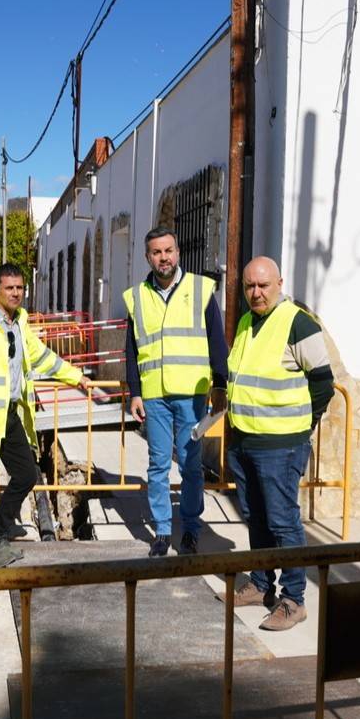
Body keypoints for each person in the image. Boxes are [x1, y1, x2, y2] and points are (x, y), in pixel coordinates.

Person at [220, 256, 335, 631]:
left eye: (263, 285)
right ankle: (260, 584)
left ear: (280, 284)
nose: (256, 292)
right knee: (256, 517)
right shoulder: (246, 322)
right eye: (249, 286)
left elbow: (323, 383)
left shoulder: (297, 323)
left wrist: (302, 426)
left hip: (281, 444)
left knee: (283, 522)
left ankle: (293, 600)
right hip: (245, 440)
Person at [0, 263, 90, 567]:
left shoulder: (20, 323)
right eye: (9, 288)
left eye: (20, 287)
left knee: (26, 474)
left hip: (10, 414)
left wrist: (75, 376)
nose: (16, 293)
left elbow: (42, 357)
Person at [123, 227, 229, 557]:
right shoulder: (137, 297)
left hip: (191, 395)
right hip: (154, 395)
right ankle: (163, 532)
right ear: (148, 257)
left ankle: (191, 530)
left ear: (178, 252)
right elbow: (132, 350)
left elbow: (216, 340)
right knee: (157, 465)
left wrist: (220, 383)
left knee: (189, 464)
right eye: (156, 252)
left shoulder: (200, 289)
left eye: (168, 250)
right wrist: (135, 392)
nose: (163, 257)